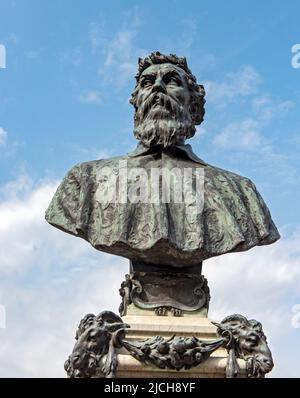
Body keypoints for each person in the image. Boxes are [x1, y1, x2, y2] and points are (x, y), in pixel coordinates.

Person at [45, 52, 280, 269]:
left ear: (194, 106)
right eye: (147, 83)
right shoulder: (86, 179)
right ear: (137, 103)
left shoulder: (240, 190)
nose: (157, 87)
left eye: (171, 81)